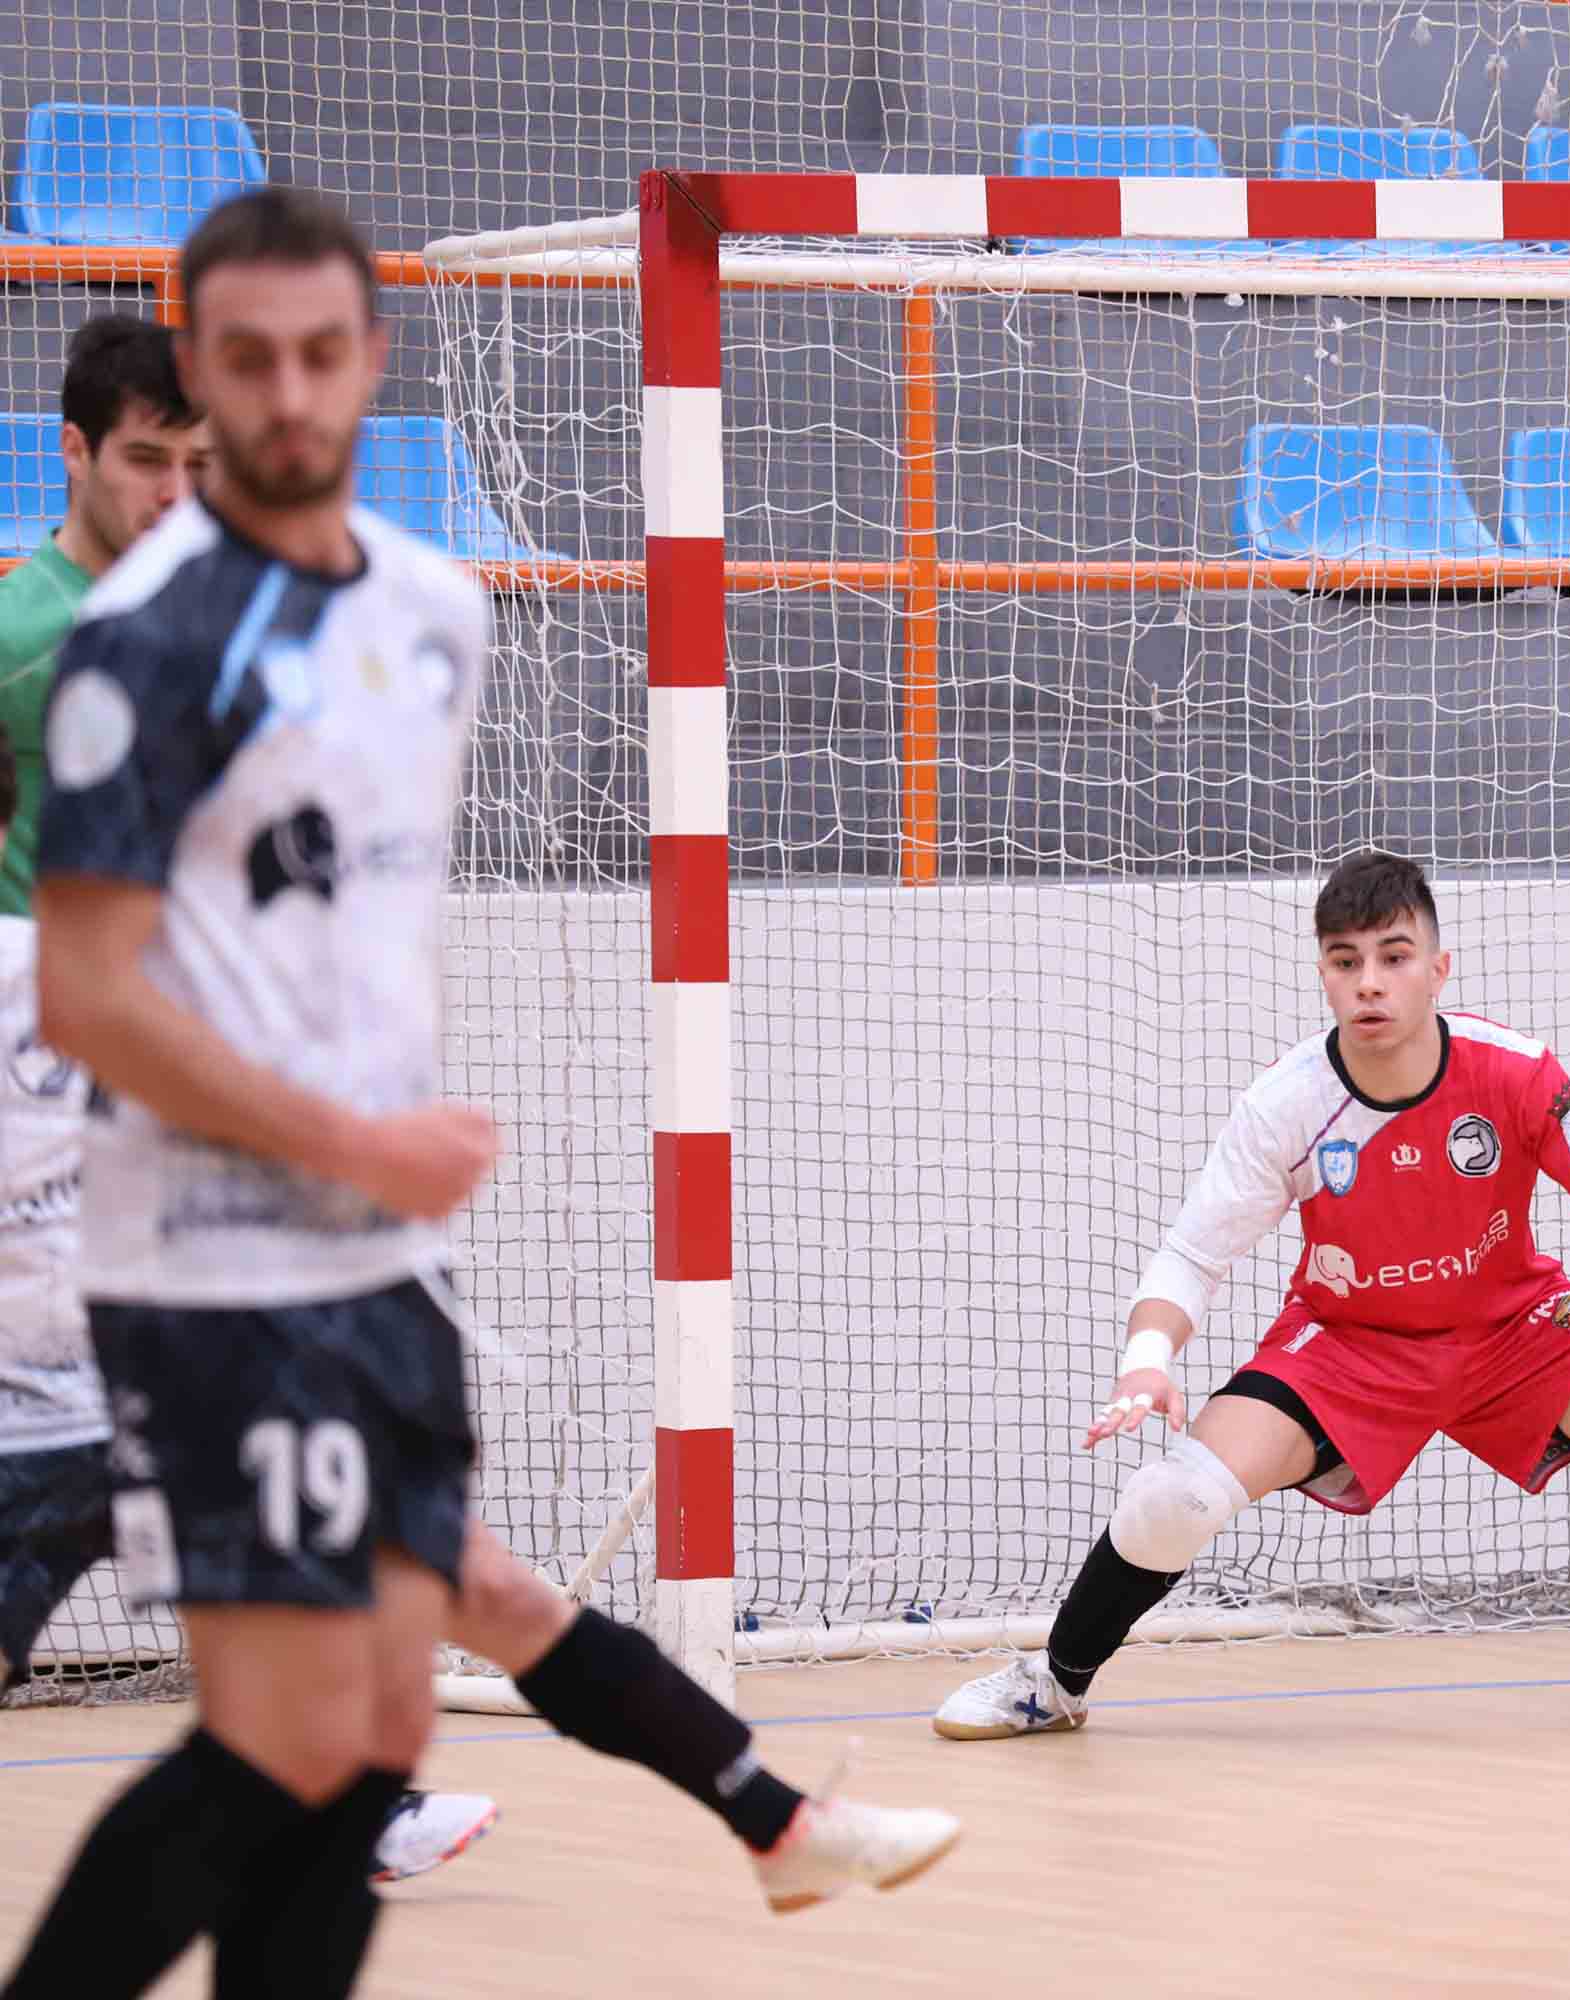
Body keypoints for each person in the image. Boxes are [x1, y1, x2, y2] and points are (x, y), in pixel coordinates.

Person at [1, 192, 953, 2000]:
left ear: (372, 360)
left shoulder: (439, 616)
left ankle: (770, 1828)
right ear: (200, 375)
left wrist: (384, 1157)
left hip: (377, 1270)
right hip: (205, 1269)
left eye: (323, 352)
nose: (288, 392)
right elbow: (90, 991)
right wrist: (354, 1141)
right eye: (248, 358)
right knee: (289, 1741)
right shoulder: (130, 647)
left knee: (371, 1739)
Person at [935, 848, 1570, 1742]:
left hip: (1516, 1330)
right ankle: (1053, 1681)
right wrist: (1147, 1364)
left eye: (1393, 955)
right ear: (1323, 971)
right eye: (1345, 959)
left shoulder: (1515, 1070)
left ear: (1437, 967)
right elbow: (1191, 1257)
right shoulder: (1286, 1103)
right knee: (1173, 1494)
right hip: (1350, 1347)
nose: (1369, 980)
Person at [0, 313, 498, 1885]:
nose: (172, 491)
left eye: (192, 464)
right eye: (144, 462)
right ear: (70, 455)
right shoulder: (59, 639)